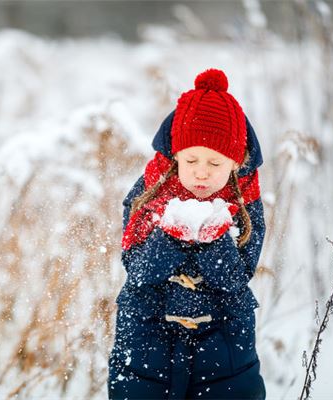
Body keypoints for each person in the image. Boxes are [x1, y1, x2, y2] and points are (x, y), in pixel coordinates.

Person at [107, 68, 266, 400]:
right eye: (191, 159)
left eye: (215, 163)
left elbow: (237, 277)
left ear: (235, 164)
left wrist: (214, 239)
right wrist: (170, 236)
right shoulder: (150, 190)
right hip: (146, 340)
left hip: (223, 348)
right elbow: (137, 269)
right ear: (175, 154)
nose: (202, 173)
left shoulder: (244, 200)